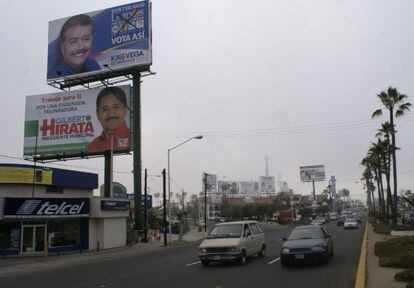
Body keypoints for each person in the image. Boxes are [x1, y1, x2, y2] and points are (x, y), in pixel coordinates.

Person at [87, 87, 130, 153]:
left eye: (116, 107)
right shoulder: (92, 146)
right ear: (97, 114)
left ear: (125, 110)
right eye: (105, 109)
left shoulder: (132, 139)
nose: (111, 114)